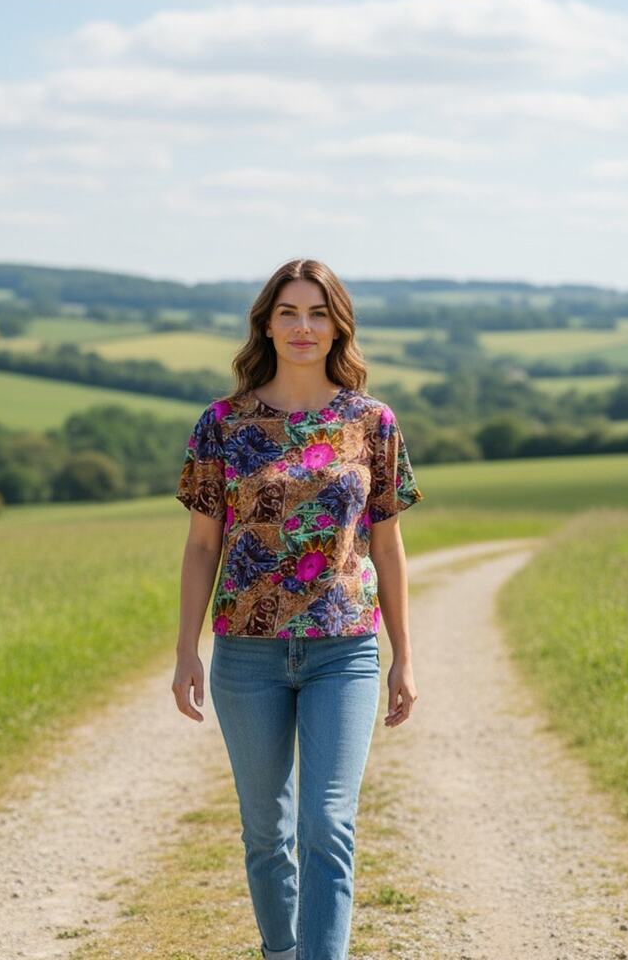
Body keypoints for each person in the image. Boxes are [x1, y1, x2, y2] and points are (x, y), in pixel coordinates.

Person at [171, 258, 423, 960]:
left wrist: (405, 657)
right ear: (266, 325)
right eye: (288, 313)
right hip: (245, 657)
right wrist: (187, 650)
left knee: (328, 824)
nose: (303, 327)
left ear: (338, 326)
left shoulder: (372, 422)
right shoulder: (223, 424)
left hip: (344, 649)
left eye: (318, 313)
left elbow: (388, 546)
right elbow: (201, 546)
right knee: (266, 832)